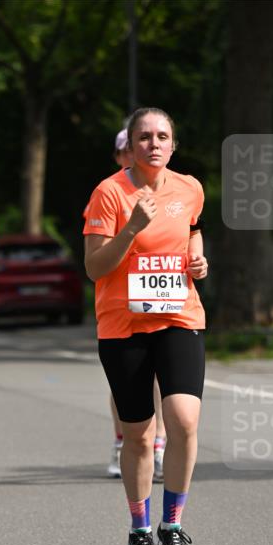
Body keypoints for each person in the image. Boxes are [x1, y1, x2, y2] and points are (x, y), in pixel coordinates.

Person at [84, 108, 208, 545]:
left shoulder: (189, 188)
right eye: (144, 137)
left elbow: (193, 232)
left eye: (162, 136)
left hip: (180, 315)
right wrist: (132, 227)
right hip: (123, 326)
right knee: (137, 434)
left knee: (183, 420)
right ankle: (140, 532)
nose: (154, 144)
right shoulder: (109, 194)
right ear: (130, 146)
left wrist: (199, 261)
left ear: (173, 144)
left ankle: (172, 527)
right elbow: (95, 268)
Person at [105, 129, 166, 481]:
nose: (133, 155)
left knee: (161, 377)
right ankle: (121, 441)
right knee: (125, 386)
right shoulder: (108, 192)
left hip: (161, 301)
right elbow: (96, 255)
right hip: (122, 309)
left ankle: (158, 445)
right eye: (125, 150)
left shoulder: (171, 189)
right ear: (119, 156)